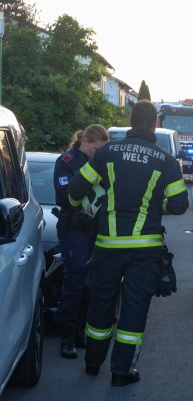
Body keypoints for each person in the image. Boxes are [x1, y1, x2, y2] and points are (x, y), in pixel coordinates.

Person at [68, 100, 189, 386]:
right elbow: (180, 205)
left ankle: (93, 364)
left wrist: (79, 205)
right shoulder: (166, 161)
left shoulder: (107, 152)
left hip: (107, 246)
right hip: (144, 250)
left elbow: (75, 190)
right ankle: (122, 373)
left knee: (101, 305)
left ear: (131, 120)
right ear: (154, 124)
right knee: (134, 310)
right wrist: (157, 205)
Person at [53, 125, 110, 359]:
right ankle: (66, 334)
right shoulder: (66, 161)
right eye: (96, 149)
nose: (99, 154)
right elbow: (65, 195)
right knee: (75, 279)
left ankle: (80, 331)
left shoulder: (101, 161)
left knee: (90, 282)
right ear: (85, 142)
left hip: (95, 228)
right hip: (75, 228)